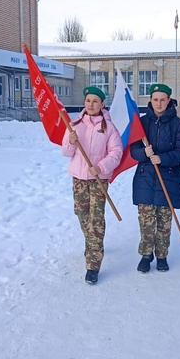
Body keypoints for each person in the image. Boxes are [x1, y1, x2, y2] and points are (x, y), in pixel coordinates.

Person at [61, 86, 123, 284]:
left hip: (98, 179)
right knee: (82, 214)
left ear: (102, 104)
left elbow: (116, 152)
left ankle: (93, 263)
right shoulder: (75, 124)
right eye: (88, 100)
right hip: (79, 178)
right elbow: (66, 152)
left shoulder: (109, 127)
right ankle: (91, 241)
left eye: (95, 101)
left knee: (95, 219)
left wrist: (102, 166)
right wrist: (71, 141)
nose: (91, 104)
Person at [130, 83, 180, 273]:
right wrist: (144, 153)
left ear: (169, 101)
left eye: (163, 99)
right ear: (150, 101)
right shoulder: (141, 123)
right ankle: (146, 255)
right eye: (155, 99)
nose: (159, 103)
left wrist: (162, 158)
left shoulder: (178, 124)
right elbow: (132, 150)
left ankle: (162, 255)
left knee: (164, 222)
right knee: (146, 222)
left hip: (168, 179)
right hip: (145, 179)